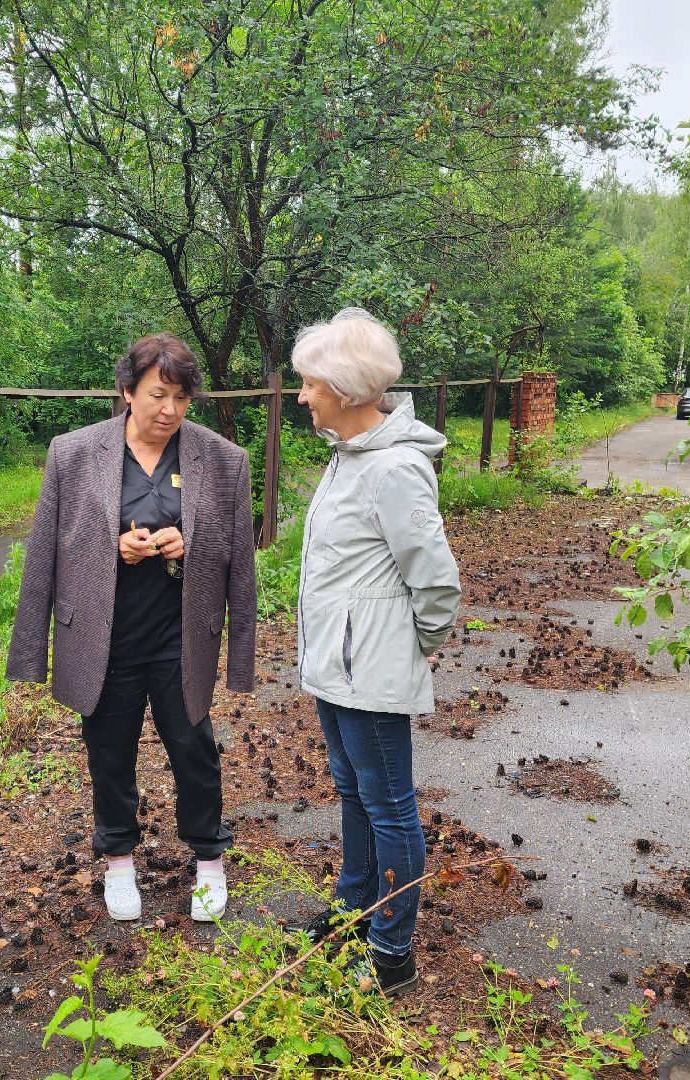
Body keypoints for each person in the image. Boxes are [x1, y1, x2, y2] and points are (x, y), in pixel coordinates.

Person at [8, 334, 256, 923]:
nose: (168, 409)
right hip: (104, 636)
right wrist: (110, 543)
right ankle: (118, 859)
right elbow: (46, 548)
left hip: (179, 635)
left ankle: (208, 861)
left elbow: (239, 558)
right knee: (109, 752)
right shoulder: (74, 453)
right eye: (155, 395)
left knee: (194, 750)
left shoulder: (222, 459)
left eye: (180, 397)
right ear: (126, 392)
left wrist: (187, 543)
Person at [291, 307, 461, 996]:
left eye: (309, 383)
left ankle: (391, 954)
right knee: (354, 793)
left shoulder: (393, 470)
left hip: (369, 672)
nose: (301, 395)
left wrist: (404, 651)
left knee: (389, 805)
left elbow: (436, 582)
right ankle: (352, 914)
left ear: (348, 391)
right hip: (338, 667)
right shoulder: (347, 458)